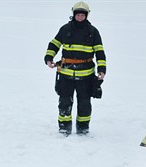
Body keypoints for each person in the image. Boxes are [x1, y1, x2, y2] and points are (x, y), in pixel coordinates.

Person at [44, 1, 106, 136]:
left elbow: (99, 52)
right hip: (66, 75)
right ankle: (64, 127)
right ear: (74, 14)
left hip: (86, 76)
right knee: (65, 102)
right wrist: (49, 58)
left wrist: (101, 69)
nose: (80, 17)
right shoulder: (65, 29)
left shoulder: (93, 32)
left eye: (82, 15)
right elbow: (54, 44)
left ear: (86, 15)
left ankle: (83, 129)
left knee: (84, 104)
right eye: (77, 15)